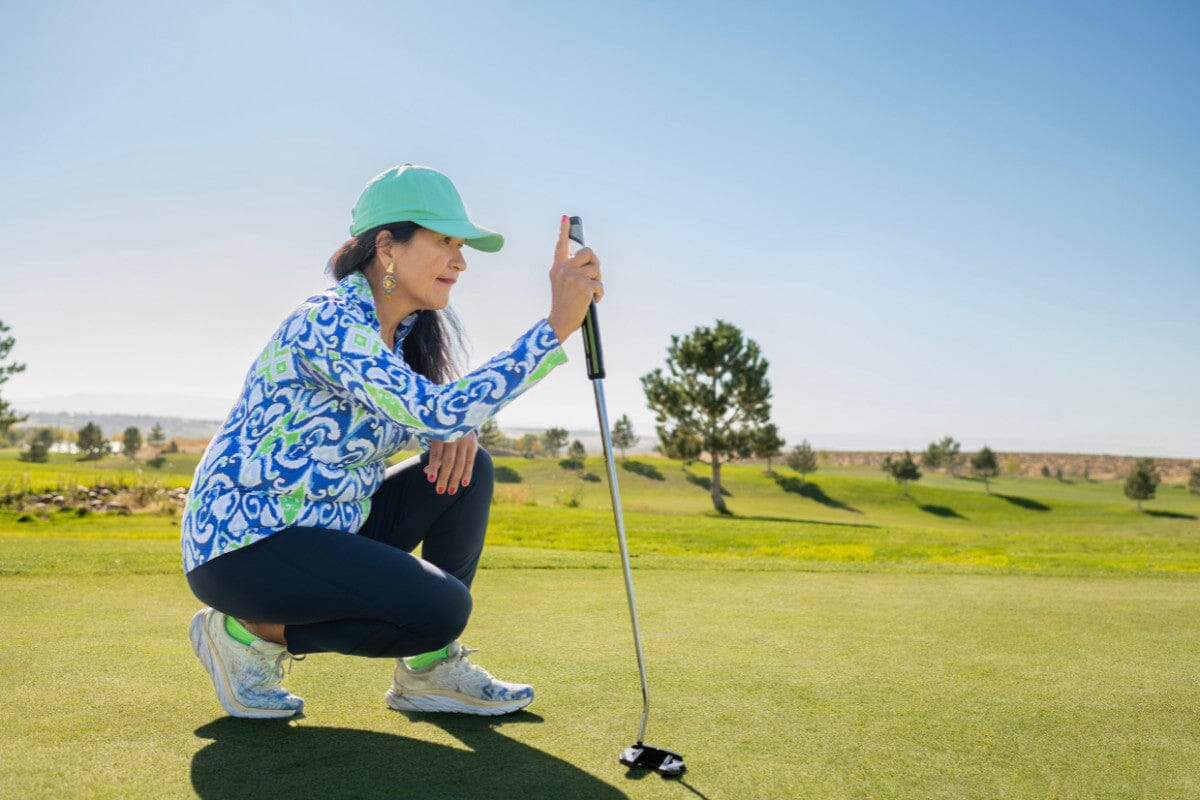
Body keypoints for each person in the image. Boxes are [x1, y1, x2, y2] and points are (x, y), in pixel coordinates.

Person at [182, 164, 602, 718]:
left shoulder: (397, 340)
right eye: (444, 240)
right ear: (386, 246)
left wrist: (461, 430)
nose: (460, 260)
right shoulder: (329, 321)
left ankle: (429, 672)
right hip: (246, 547)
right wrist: (554, 327)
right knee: (443, 607)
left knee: (469, 468)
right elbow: (437, 412)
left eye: (462, 245)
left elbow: (438, 417)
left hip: (329, 529)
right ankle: (246, 634)